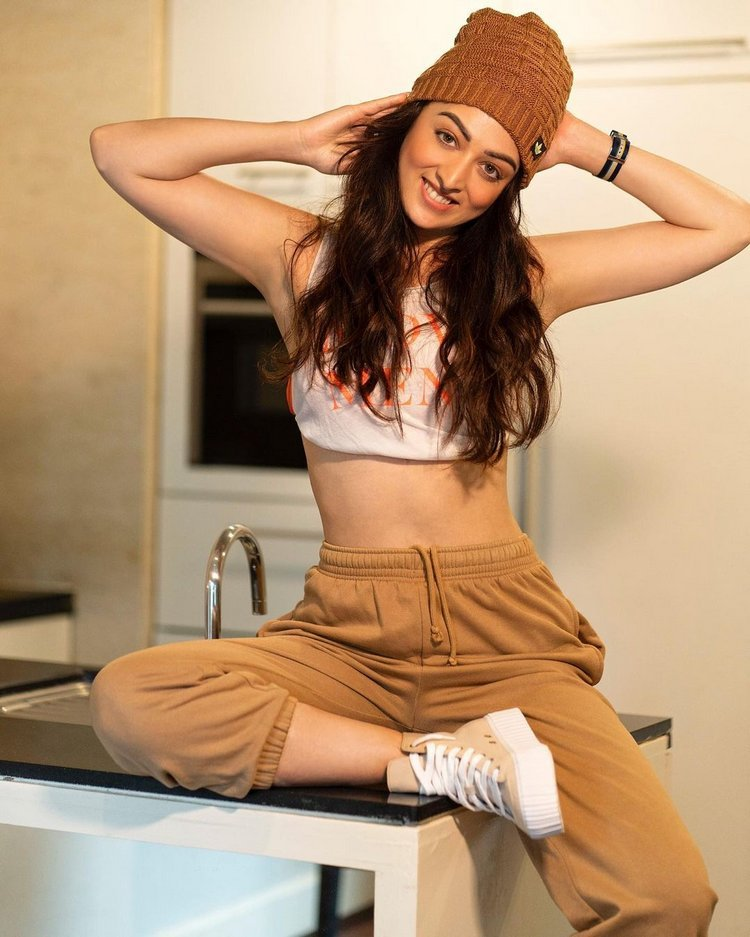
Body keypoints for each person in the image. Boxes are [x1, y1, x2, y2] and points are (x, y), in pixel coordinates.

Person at [88, 8, 749, 935]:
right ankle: (434, 755)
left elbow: (725, 224)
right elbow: (120, 152)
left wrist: (577, 141)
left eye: (494, 166)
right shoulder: (300, 257)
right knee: (131, 697)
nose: (456, 175)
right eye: (447, 134)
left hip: (505, 638)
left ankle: (469, 747)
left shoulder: (524, 278)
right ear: (407, 121)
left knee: (667, 897)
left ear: (514, 183)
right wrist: (296, 139)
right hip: (346, 639)